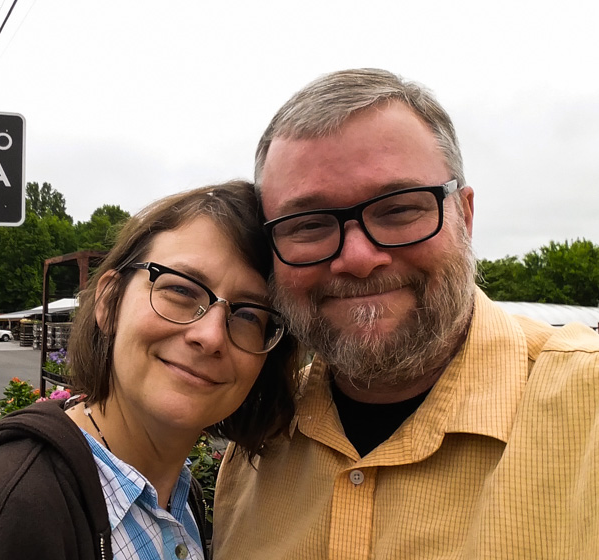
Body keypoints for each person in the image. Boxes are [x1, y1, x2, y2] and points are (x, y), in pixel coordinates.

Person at [214, 68, 599, 559]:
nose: (356, 257)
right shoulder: (257, 447)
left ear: (466, 214)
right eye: (308, 224)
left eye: (398, 210)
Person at [0, 181, 300, 560]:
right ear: (108, 301)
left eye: (248, 314)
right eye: (179, 289)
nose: (211, 336)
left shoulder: (178, 498)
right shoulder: (12, 508)